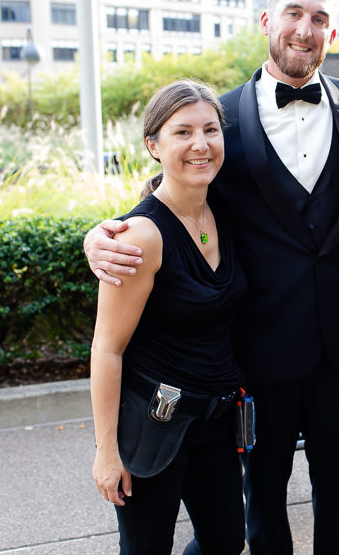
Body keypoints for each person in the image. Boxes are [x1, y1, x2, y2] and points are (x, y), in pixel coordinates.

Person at [84, 0, 339, 555]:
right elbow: (168, 197)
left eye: (320, 18)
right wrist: (97, 236)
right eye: (294, 13)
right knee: (263, 502)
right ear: (268, 21)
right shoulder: (217, 120)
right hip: (258, 352)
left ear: (331, 31)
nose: (305, 28)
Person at [90, 80, 247, 555]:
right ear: (153, 146)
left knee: (225, 542)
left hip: (215, 420)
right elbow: (106, 347)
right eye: (182, 133)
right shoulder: (140, 235)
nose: (200, 145)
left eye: (210, 130)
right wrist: (106, 451)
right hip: (152, 422)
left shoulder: (223, 210)